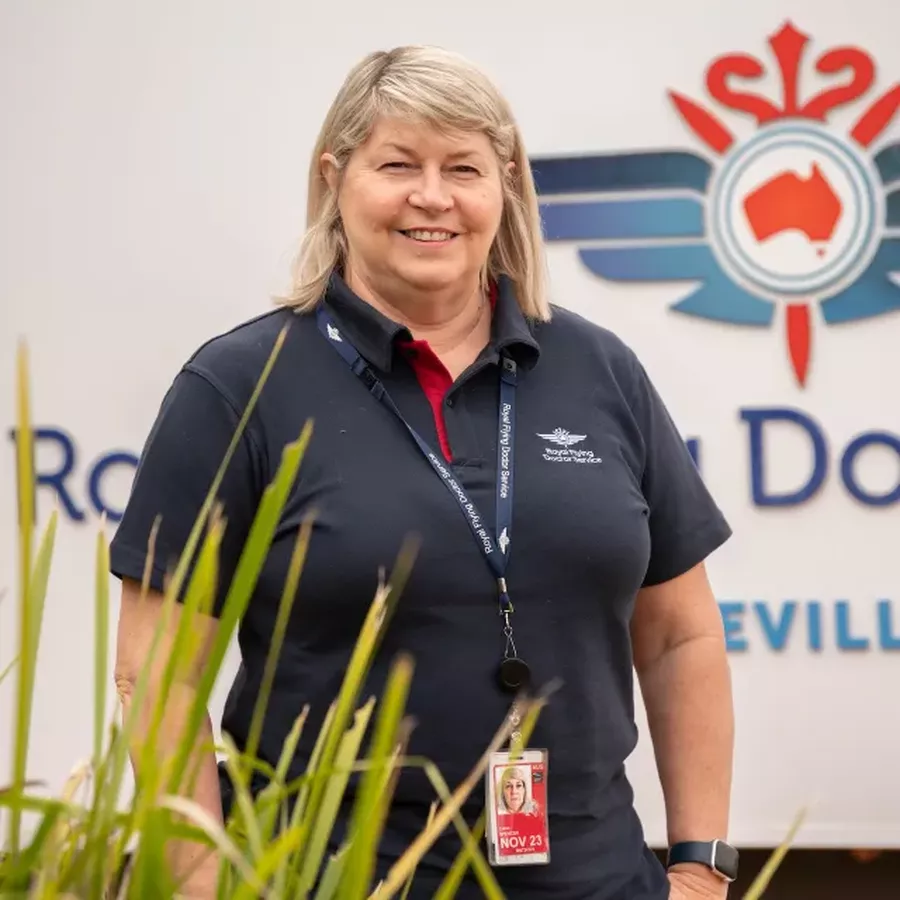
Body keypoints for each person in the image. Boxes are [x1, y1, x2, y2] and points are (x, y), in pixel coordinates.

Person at [110, 44, 737, 900]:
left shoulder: (600, 370)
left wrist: (701, 867)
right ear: (335, 178)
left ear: (505, 185)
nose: (433, 197)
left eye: (463, 168)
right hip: (326, 880)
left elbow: (680, 638)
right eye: (398, 164)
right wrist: (204, 884)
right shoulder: (237, 386)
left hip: (596, 880)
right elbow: (156, 673)